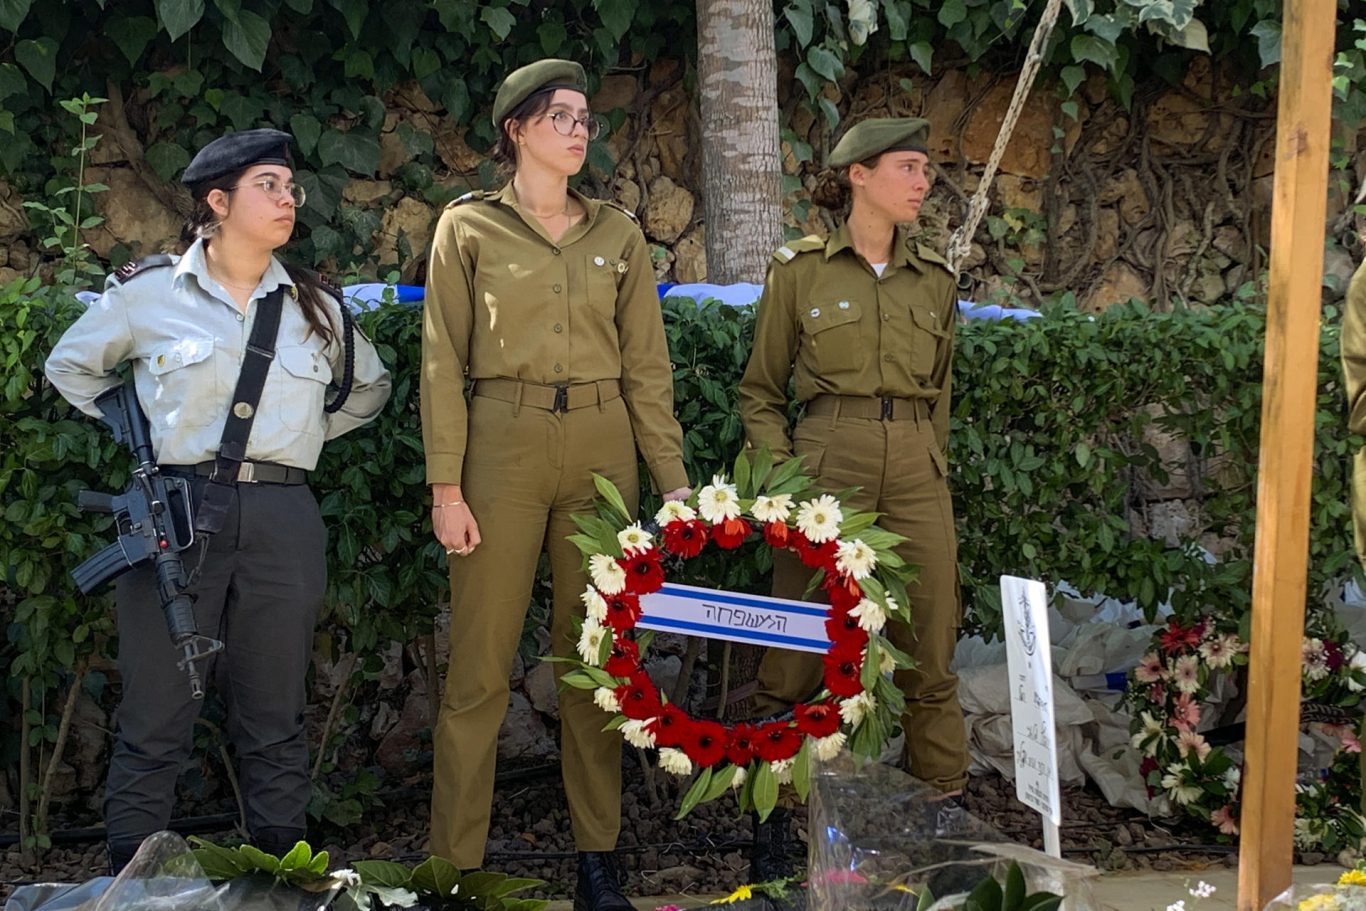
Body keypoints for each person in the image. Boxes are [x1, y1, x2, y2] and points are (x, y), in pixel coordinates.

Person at [45, 128, 392, 871]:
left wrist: (300, 436)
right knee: (156, 712)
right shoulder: (147, 297)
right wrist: (140, 429)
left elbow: (371, 387)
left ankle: (280, 875)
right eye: (269, 185)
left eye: (291, 187)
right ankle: (131, 882)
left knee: (274, 711)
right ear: (217, 201)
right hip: (174, 515)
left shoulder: (315, 307)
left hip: (281, 516)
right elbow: (70, 367)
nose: (287, 199)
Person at [420, 59, 690, 910]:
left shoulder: (618, 235)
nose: (579, 130)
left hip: (604, 447)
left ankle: (597, 860)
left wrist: (674, 485)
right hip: (502, 444)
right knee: (479, 668)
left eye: (584, 118)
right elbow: (441, 363)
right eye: (561, 117)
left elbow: (649, 368)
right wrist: (445, 487)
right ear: (518, 130)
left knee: (598, 661)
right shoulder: (467, 230)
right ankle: (452, 867)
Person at [737, 117, 969, 877]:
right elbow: (761, 392)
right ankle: (772, 838)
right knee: (799, 651)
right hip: (825, 465)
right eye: (908, 166)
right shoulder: (800, 272)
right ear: (859, 176)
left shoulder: (935, 279)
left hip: (913, 467)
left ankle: (944, 832)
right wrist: (780, 483)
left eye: (926, 169)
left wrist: (927, 462)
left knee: (929, 646)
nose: (922, 181)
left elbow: (939, 395)